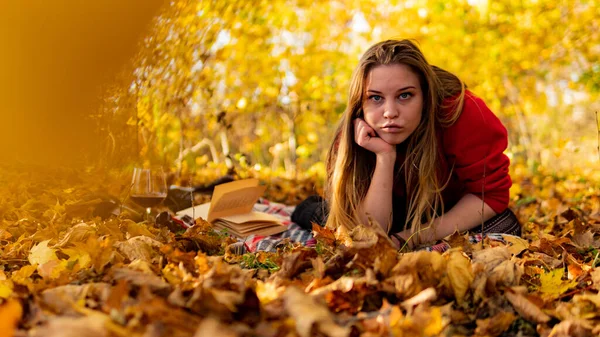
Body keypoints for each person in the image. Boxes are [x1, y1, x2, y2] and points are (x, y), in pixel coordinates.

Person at [292, 39, 520, 249]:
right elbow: (369, 233)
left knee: (506, 226)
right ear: (361, 103)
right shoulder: (353, 134)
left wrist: (410, 238)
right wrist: (384, 156)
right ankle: (312, 208)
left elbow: (490, 196)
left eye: (404, 96)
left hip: (448, 208)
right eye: (376, 98)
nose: (390, 113)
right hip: (389, 206)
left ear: (425, 96)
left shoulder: (461, 112)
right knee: (333, 223)